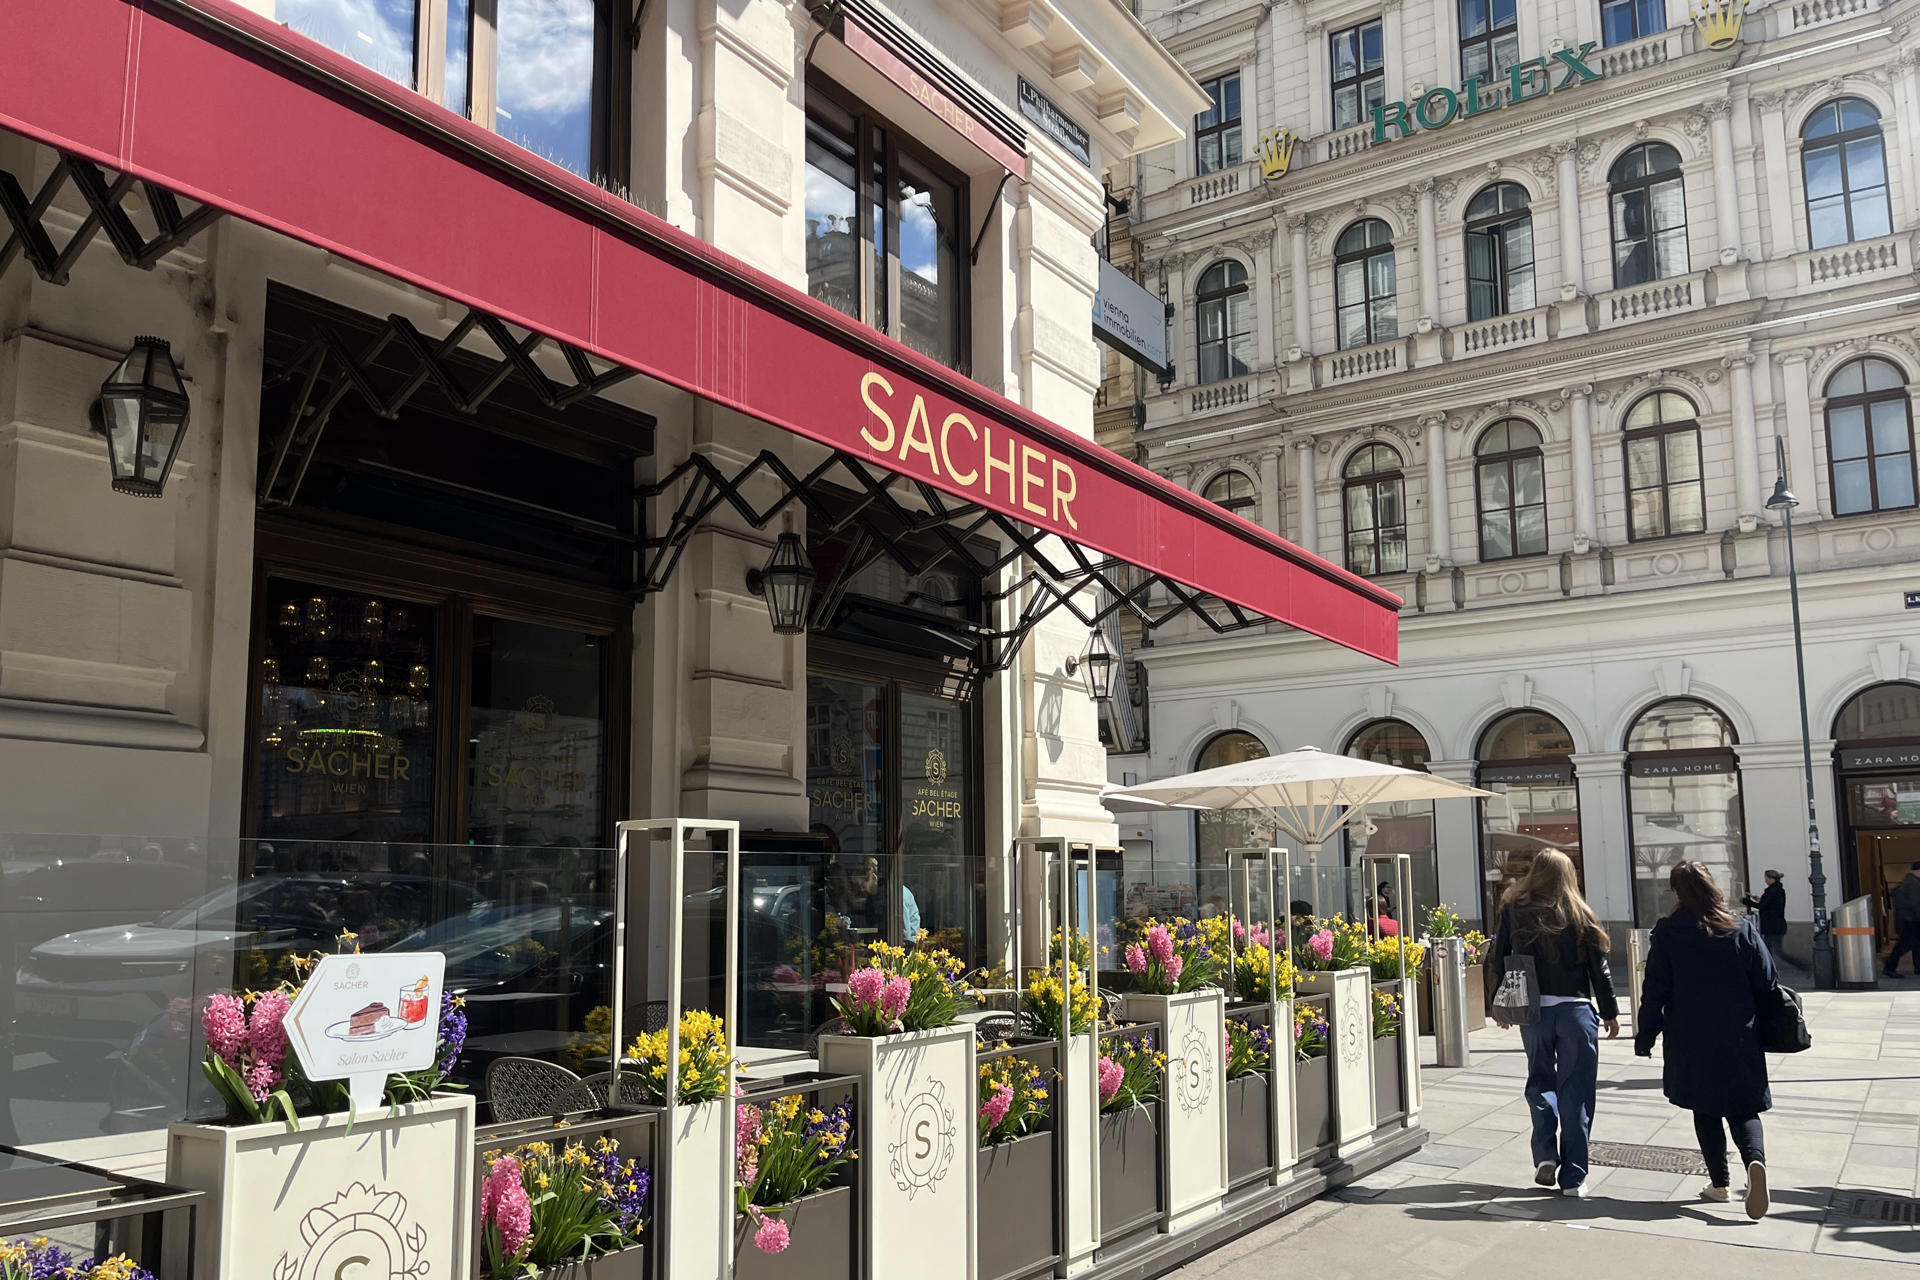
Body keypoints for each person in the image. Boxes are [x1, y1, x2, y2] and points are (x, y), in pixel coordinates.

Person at [1635, 862, 1776, 1220]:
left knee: (1706, 1107)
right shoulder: (1739, 927)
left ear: (1678, 893)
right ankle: (1754, 1162)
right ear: (1713, 887)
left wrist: (1646, 1034)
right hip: (1739, 1032)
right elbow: (1767, 979)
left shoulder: (1668, 933)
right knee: (1744, 1107)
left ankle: (1720, 1184)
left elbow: (1654, 990)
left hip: (1690, 1035)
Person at [1485, 849, 1619, 1198]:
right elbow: (1599, 970)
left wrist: (1499, 1005)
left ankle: (1545, 1154)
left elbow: (1497, 960)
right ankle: (1574, 1178)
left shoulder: (1514, 910)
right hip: (1575, 1012)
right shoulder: (1580, 912)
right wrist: (1610, 1012)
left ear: (1534, 873)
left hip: (1534, 1013)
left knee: (1540, 1081)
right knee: (1577, 1092)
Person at [1740, 870, 1805, 971]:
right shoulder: (1778, 890)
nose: (1765, 880)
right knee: (1769, 950)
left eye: (1766, 878)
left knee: (1775, 951)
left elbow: (1763, 906)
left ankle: (1801, 965)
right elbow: (1769, 904)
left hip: (1772, 925)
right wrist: (1758, 899)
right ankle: (1768, 969)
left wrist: (1746, 901)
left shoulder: (1772, 891)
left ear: (1770, 879)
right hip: (1776, 924)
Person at [1884, 861, 1920, 979]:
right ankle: (1889, 967)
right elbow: (1914, 903)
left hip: (1906, 919)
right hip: (1912, 919)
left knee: (1913, 944)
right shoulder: (1914, 883)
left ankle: (1917, 967)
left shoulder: (1906, 881)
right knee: (1904, 945)